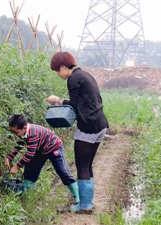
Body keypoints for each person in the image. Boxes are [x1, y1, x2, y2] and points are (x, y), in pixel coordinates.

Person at [46, 52, 109, 214]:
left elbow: (73, 105)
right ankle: (88, 202)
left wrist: (57, 100)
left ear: (63, 67)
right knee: (87, 165)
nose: (58, 74)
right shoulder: (85, 75)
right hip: (101, 123)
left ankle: (85, 205)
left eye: (57, 71)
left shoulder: (73, 79)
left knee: (81, 165)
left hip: (88, 126)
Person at [5, 114, 79, 203]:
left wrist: (17, 166)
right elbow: (19, 145)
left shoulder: (33, 134)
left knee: (62, 171)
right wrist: (8, 158)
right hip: (40, 149)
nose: (15, 134)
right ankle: (27, 199)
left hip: (54, 147)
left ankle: (78, 197)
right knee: (30, 172)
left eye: (16, 132)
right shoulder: (22, 133)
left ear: (24, 128)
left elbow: (30, 154)